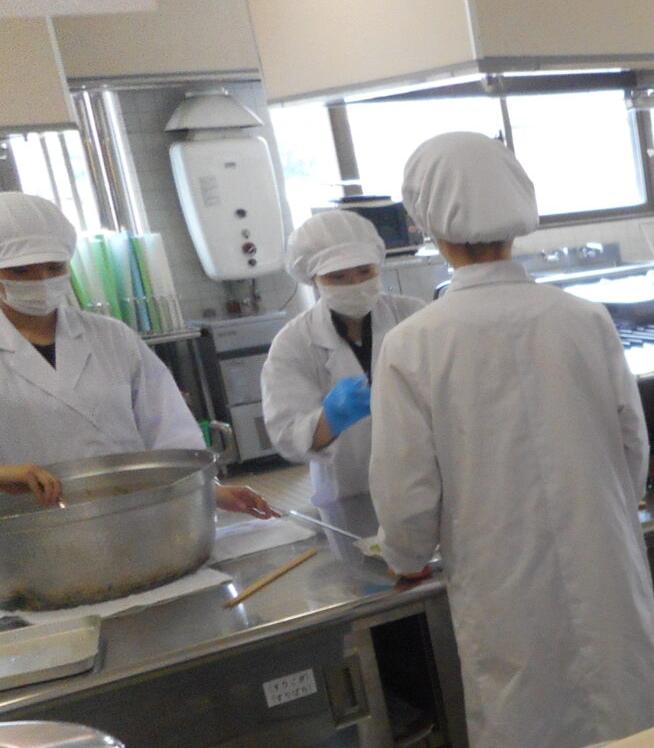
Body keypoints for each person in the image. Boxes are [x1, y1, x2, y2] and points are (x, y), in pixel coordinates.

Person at [369, 132, 654, 748]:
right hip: (605, 570)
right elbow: (632, 447)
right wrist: (607, 510)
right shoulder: (582, 319)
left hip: (504, 594)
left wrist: (404, 555)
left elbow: (406, 492)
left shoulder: (413, 343)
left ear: (428, 226)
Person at [0, 192, 272, 517]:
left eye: (54, 267)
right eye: (20, 271)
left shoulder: (111, 337)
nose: (42, 281)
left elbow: (168, 429)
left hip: (136, 512)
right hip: (29, 524)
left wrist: (209, 490)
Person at [262, 210, 424, 505]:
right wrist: (330, 418)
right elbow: (287, 436)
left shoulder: (413, 316)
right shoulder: (293, 343)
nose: (355, 284)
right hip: (350, 489)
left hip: (424, 479)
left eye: (365, 271)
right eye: (338, 277)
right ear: (314, 280)